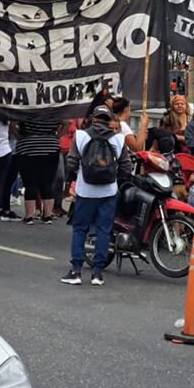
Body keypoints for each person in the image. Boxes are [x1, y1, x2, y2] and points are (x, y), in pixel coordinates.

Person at [61, 105, 130, 286]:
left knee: (80, 229)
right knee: (103, 230)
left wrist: (78, 177)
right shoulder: (118, 139)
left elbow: (71, 161)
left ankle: (76, 271)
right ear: (109, 121)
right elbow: (126, 167)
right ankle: (97, 273)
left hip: (85, 191)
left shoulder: (81, 135)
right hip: (109, 191)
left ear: (93, 118)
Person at [15, 117, 63, 223]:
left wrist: (19, 137)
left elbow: (13, 122)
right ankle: (47, 216)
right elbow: (67, 122)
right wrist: (57, 136)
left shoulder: (26, 109)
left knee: (30, 183)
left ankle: (29, 217)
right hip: (50, 146)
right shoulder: (52, 109)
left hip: (27, 147)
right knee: (47, 183)